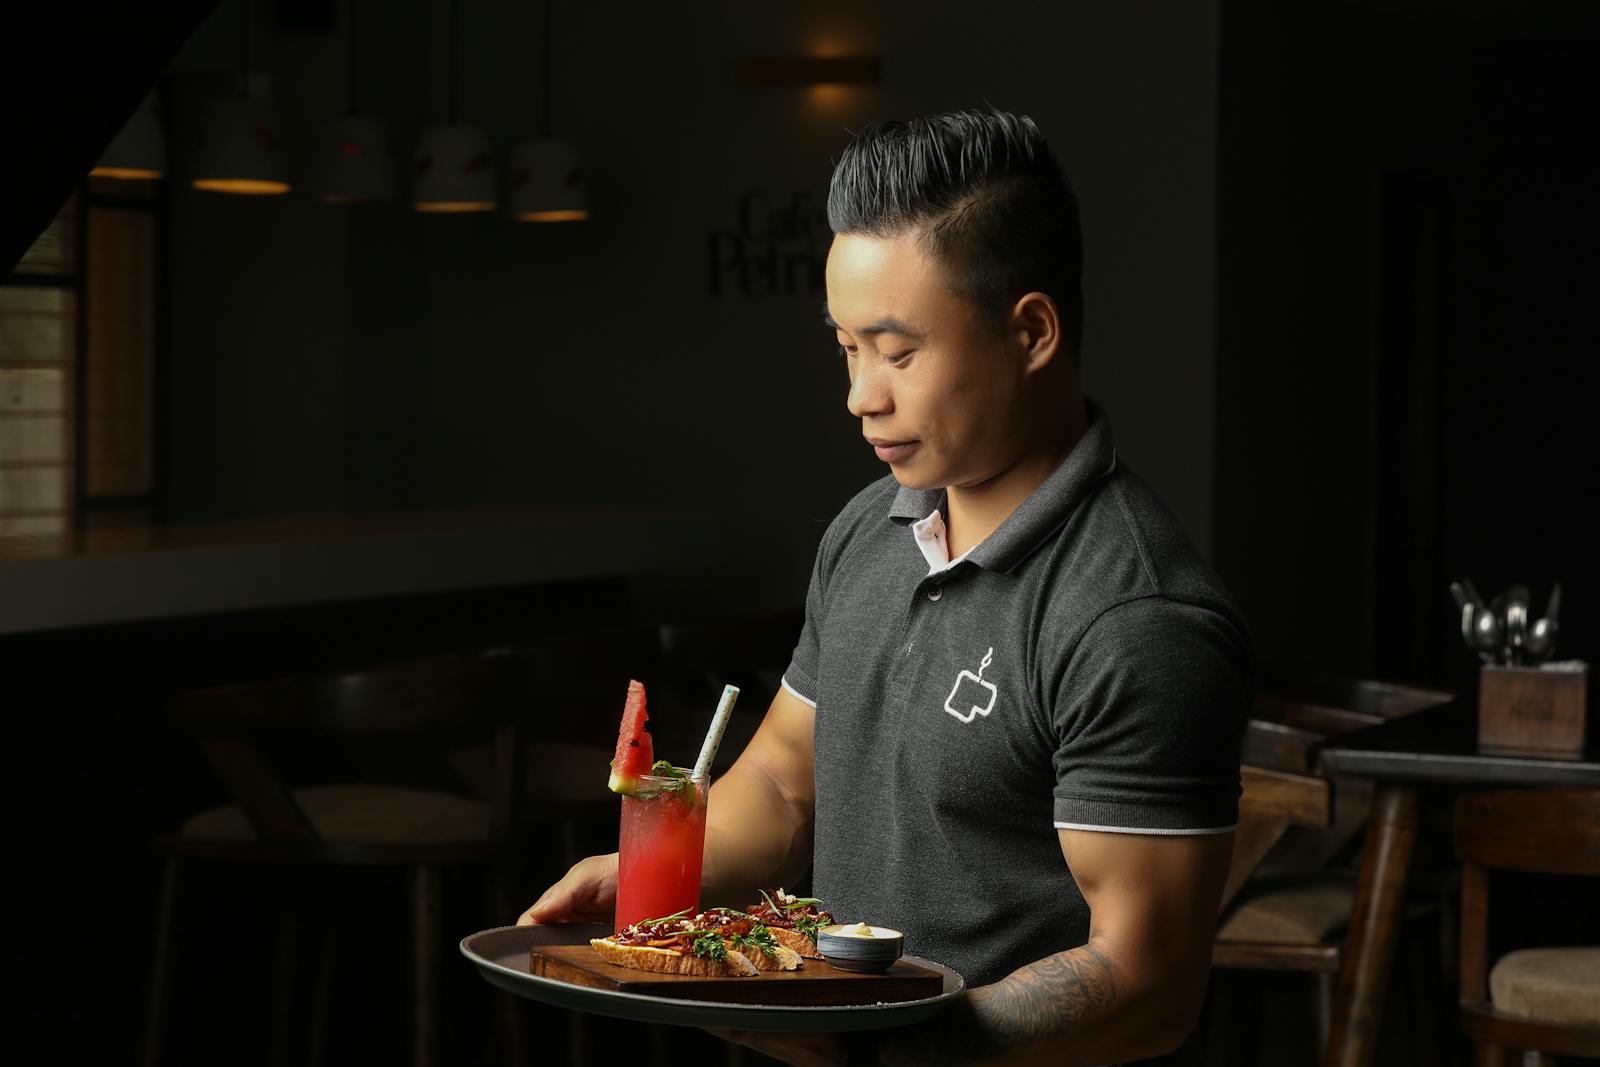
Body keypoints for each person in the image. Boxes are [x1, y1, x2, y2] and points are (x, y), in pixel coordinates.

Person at [520, 107, 1251, 1067]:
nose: (862, 394)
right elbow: (784, 778)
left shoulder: (1134, 616)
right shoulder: (869, 529)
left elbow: (1148, 983)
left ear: (1031, 331)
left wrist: (891, 1043)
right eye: (847, 349)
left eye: (899, 352)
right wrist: (651, 882)